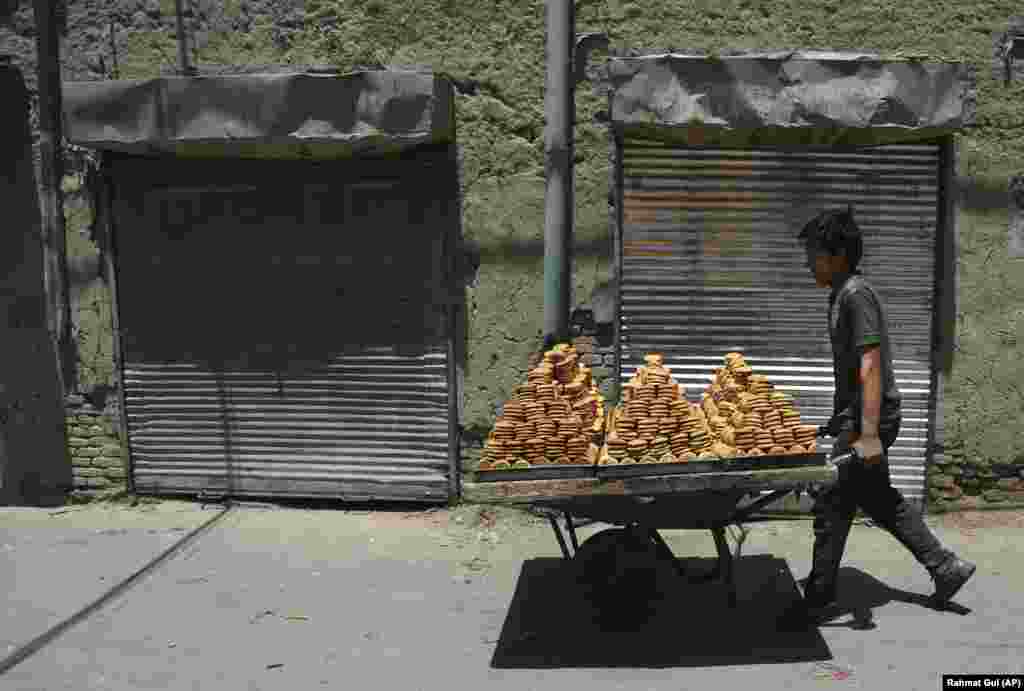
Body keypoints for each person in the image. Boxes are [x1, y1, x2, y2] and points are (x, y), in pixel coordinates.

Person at [789, 206, 975, 624]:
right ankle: (946, 568)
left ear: (836, 254)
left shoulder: (857, 296)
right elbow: (856, 372)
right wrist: (841, 416)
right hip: (860, 415)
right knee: (876, 497)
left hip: (873, 418)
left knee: (833, 501)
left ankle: (819, 597)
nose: (807, 263)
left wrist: (867, 432)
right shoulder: (840, 294)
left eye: (813, 254)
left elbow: (870, 364)